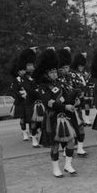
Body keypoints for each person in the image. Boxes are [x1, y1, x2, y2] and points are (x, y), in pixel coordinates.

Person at [33, 48, 78, 178]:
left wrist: (76, 95)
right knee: (55, 144)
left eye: (55, 71)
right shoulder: (42, 87)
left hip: (64, 117)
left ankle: (68, 165)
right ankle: (55, 168)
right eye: (51, 72)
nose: (54, 73)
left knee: (71, 141)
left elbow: (67, 97)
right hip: (52, 118)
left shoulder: (60, 82)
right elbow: (49, 102)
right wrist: (65, 107)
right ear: (46, 73)